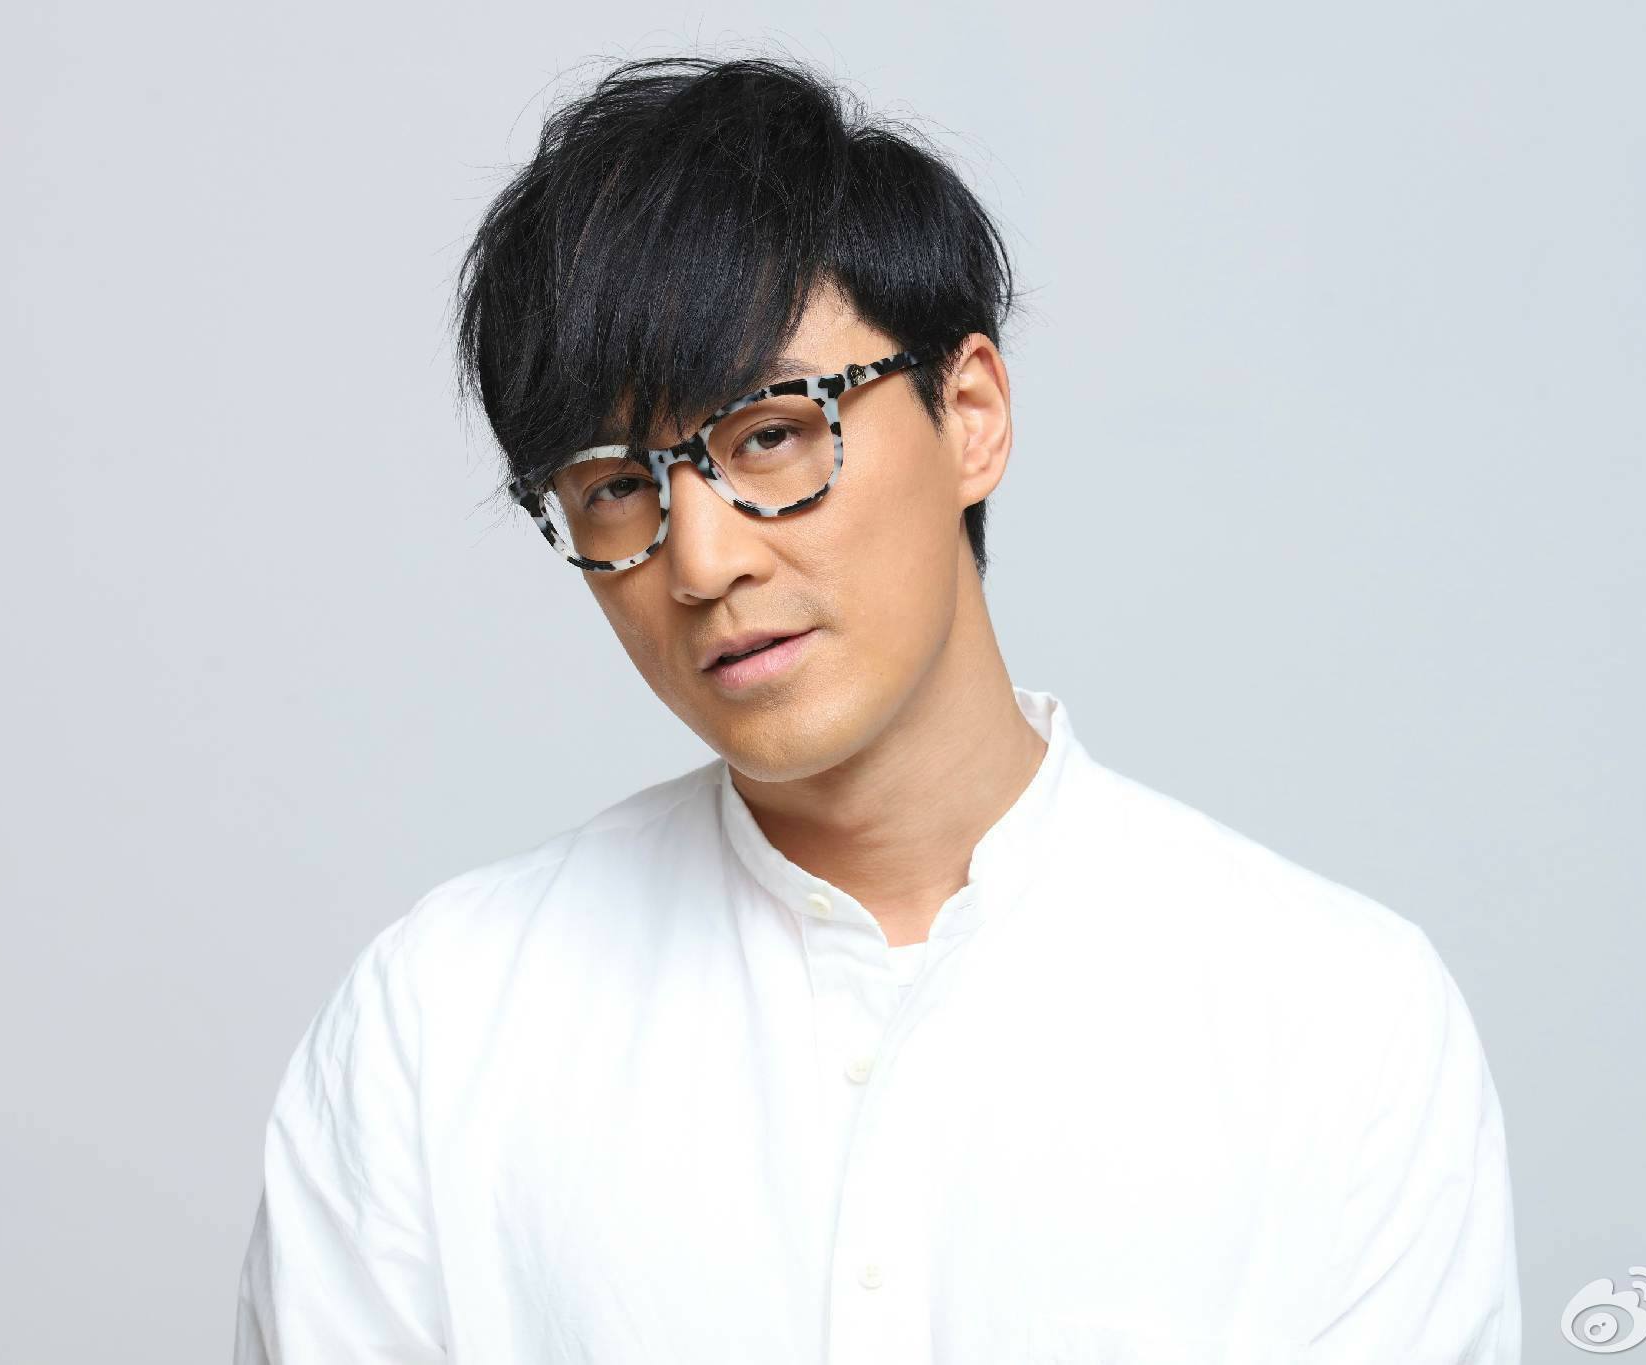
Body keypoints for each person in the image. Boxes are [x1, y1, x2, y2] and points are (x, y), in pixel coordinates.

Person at [232, 54, 1522, 1364]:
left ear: (970, 415)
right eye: (615, 488)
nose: (701, 561)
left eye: (770, 434)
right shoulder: (438, 1031)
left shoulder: (1335, 1022)